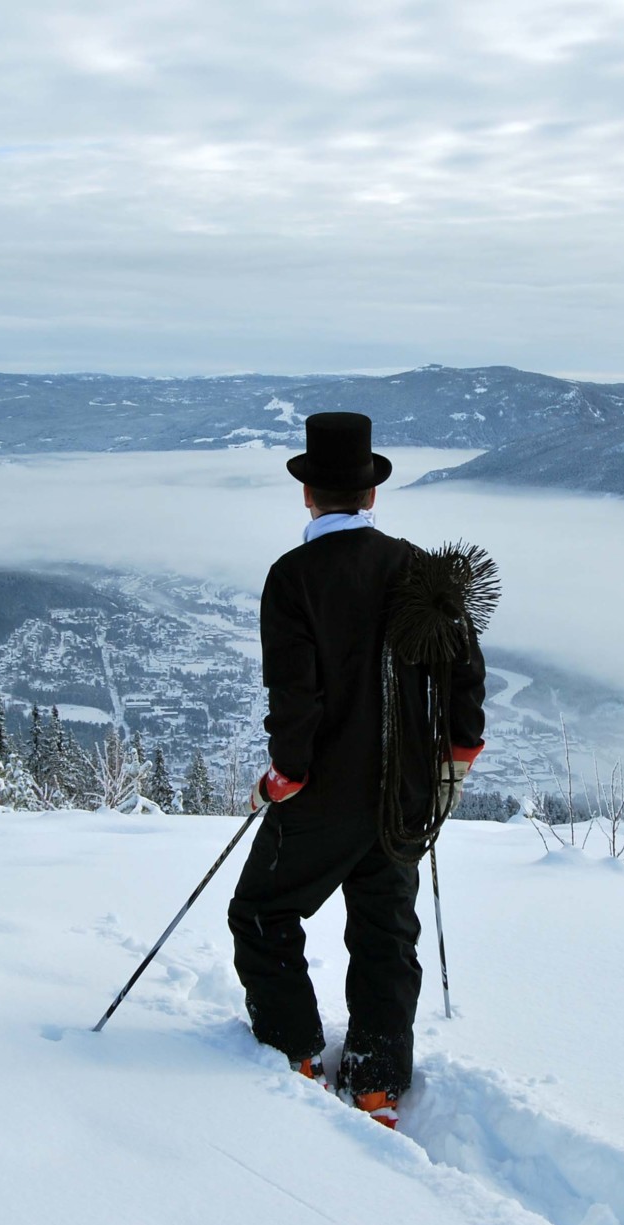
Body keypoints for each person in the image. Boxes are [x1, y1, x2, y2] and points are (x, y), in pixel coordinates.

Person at [228, 411, 488, 1128]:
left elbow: (296, 696)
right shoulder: (418, 571)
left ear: (307, 495)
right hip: (401, 791)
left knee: (262, 911)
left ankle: (296, 1053)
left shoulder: (293, 578)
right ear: (372, 495)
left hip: (322, 795)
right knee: (383, 930)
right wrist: (455, 757)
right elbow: (464, 672)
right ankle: (377, 1087)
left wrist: (285, 775)